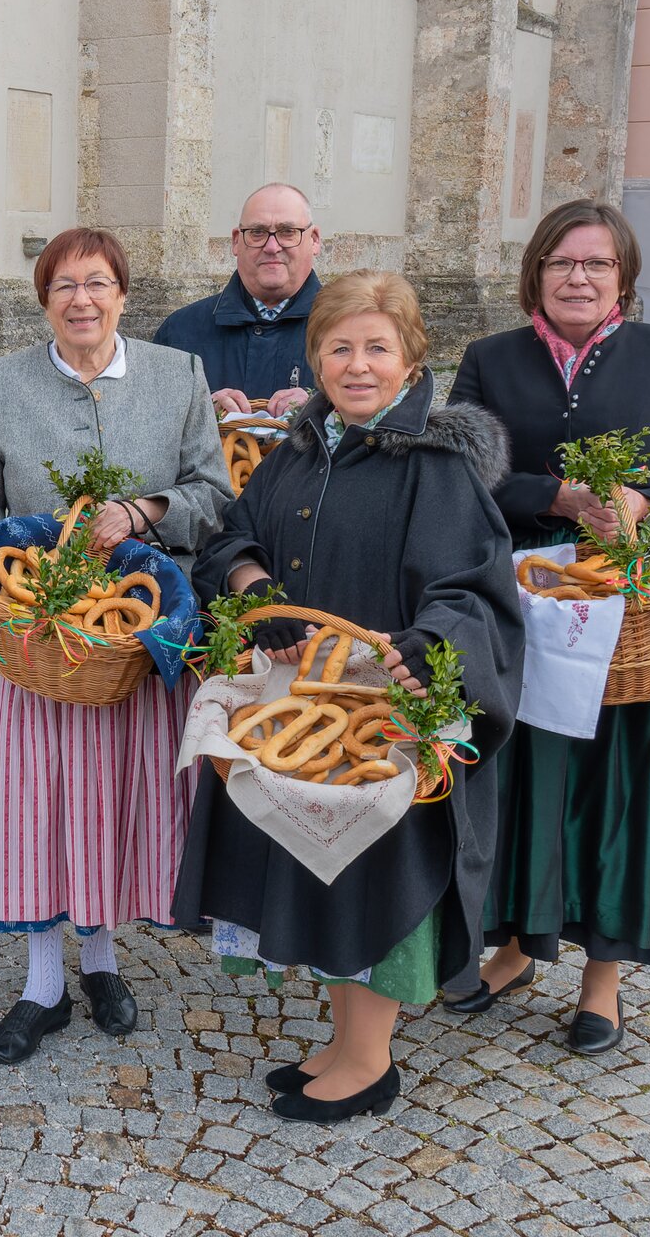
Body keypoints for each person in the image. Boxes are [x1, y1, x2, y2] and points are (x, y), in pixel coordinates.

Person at [174, 271, 523, 1123]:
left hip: (385, 719)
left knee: (371, 878)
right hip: (303, 708)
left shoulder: (436, 467)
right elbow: (233, 537)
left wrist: (426, 650)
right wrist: (255, 585)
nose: (357, 364)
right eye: (339, 347)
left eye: (377, 347)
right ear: (315, 356)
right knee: (319, 873)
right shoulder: (300, 450)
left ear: (411, 359)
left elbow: (473, 591)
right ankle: (341, 1040)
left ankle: (370, 1059)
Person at [447, 198, 650, 1054]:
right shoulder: (491, 360)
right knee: (528, 769)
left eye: (598, 265)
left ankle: (602, 978)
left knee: (622, 781)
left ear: (624, 278)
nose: (578, 278)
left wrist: (647, 502)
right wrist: (554, 497)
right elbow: (461, 479)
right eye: (562, 263)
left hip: (632, 599)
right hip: (528, 591)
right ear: (535, 272)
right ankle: (515, 946)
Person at [0, 227, 231, 1062]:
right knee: (38, 808)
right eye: (65, 284)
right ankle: (43, 985)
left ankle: (103, 961)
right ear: (44, 298)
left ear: (122, 294)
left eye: (99, 282)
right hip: (34, 643)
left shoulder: (176, 375)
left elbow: (214, 495)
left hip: (134, 646)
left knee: (110, 801)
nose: (82, 299)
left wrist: (146, 511)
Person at [152, 182, 321, 417]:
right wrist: (201, 411)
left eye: (287, 232)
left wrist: (323, 407)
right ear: (235, 241)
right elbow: (148, 423)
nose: (272, 247)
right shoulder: (180, 331)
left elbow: (381, 420)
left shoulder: (350, 330)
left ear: (314, 240)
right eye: (257, 232)